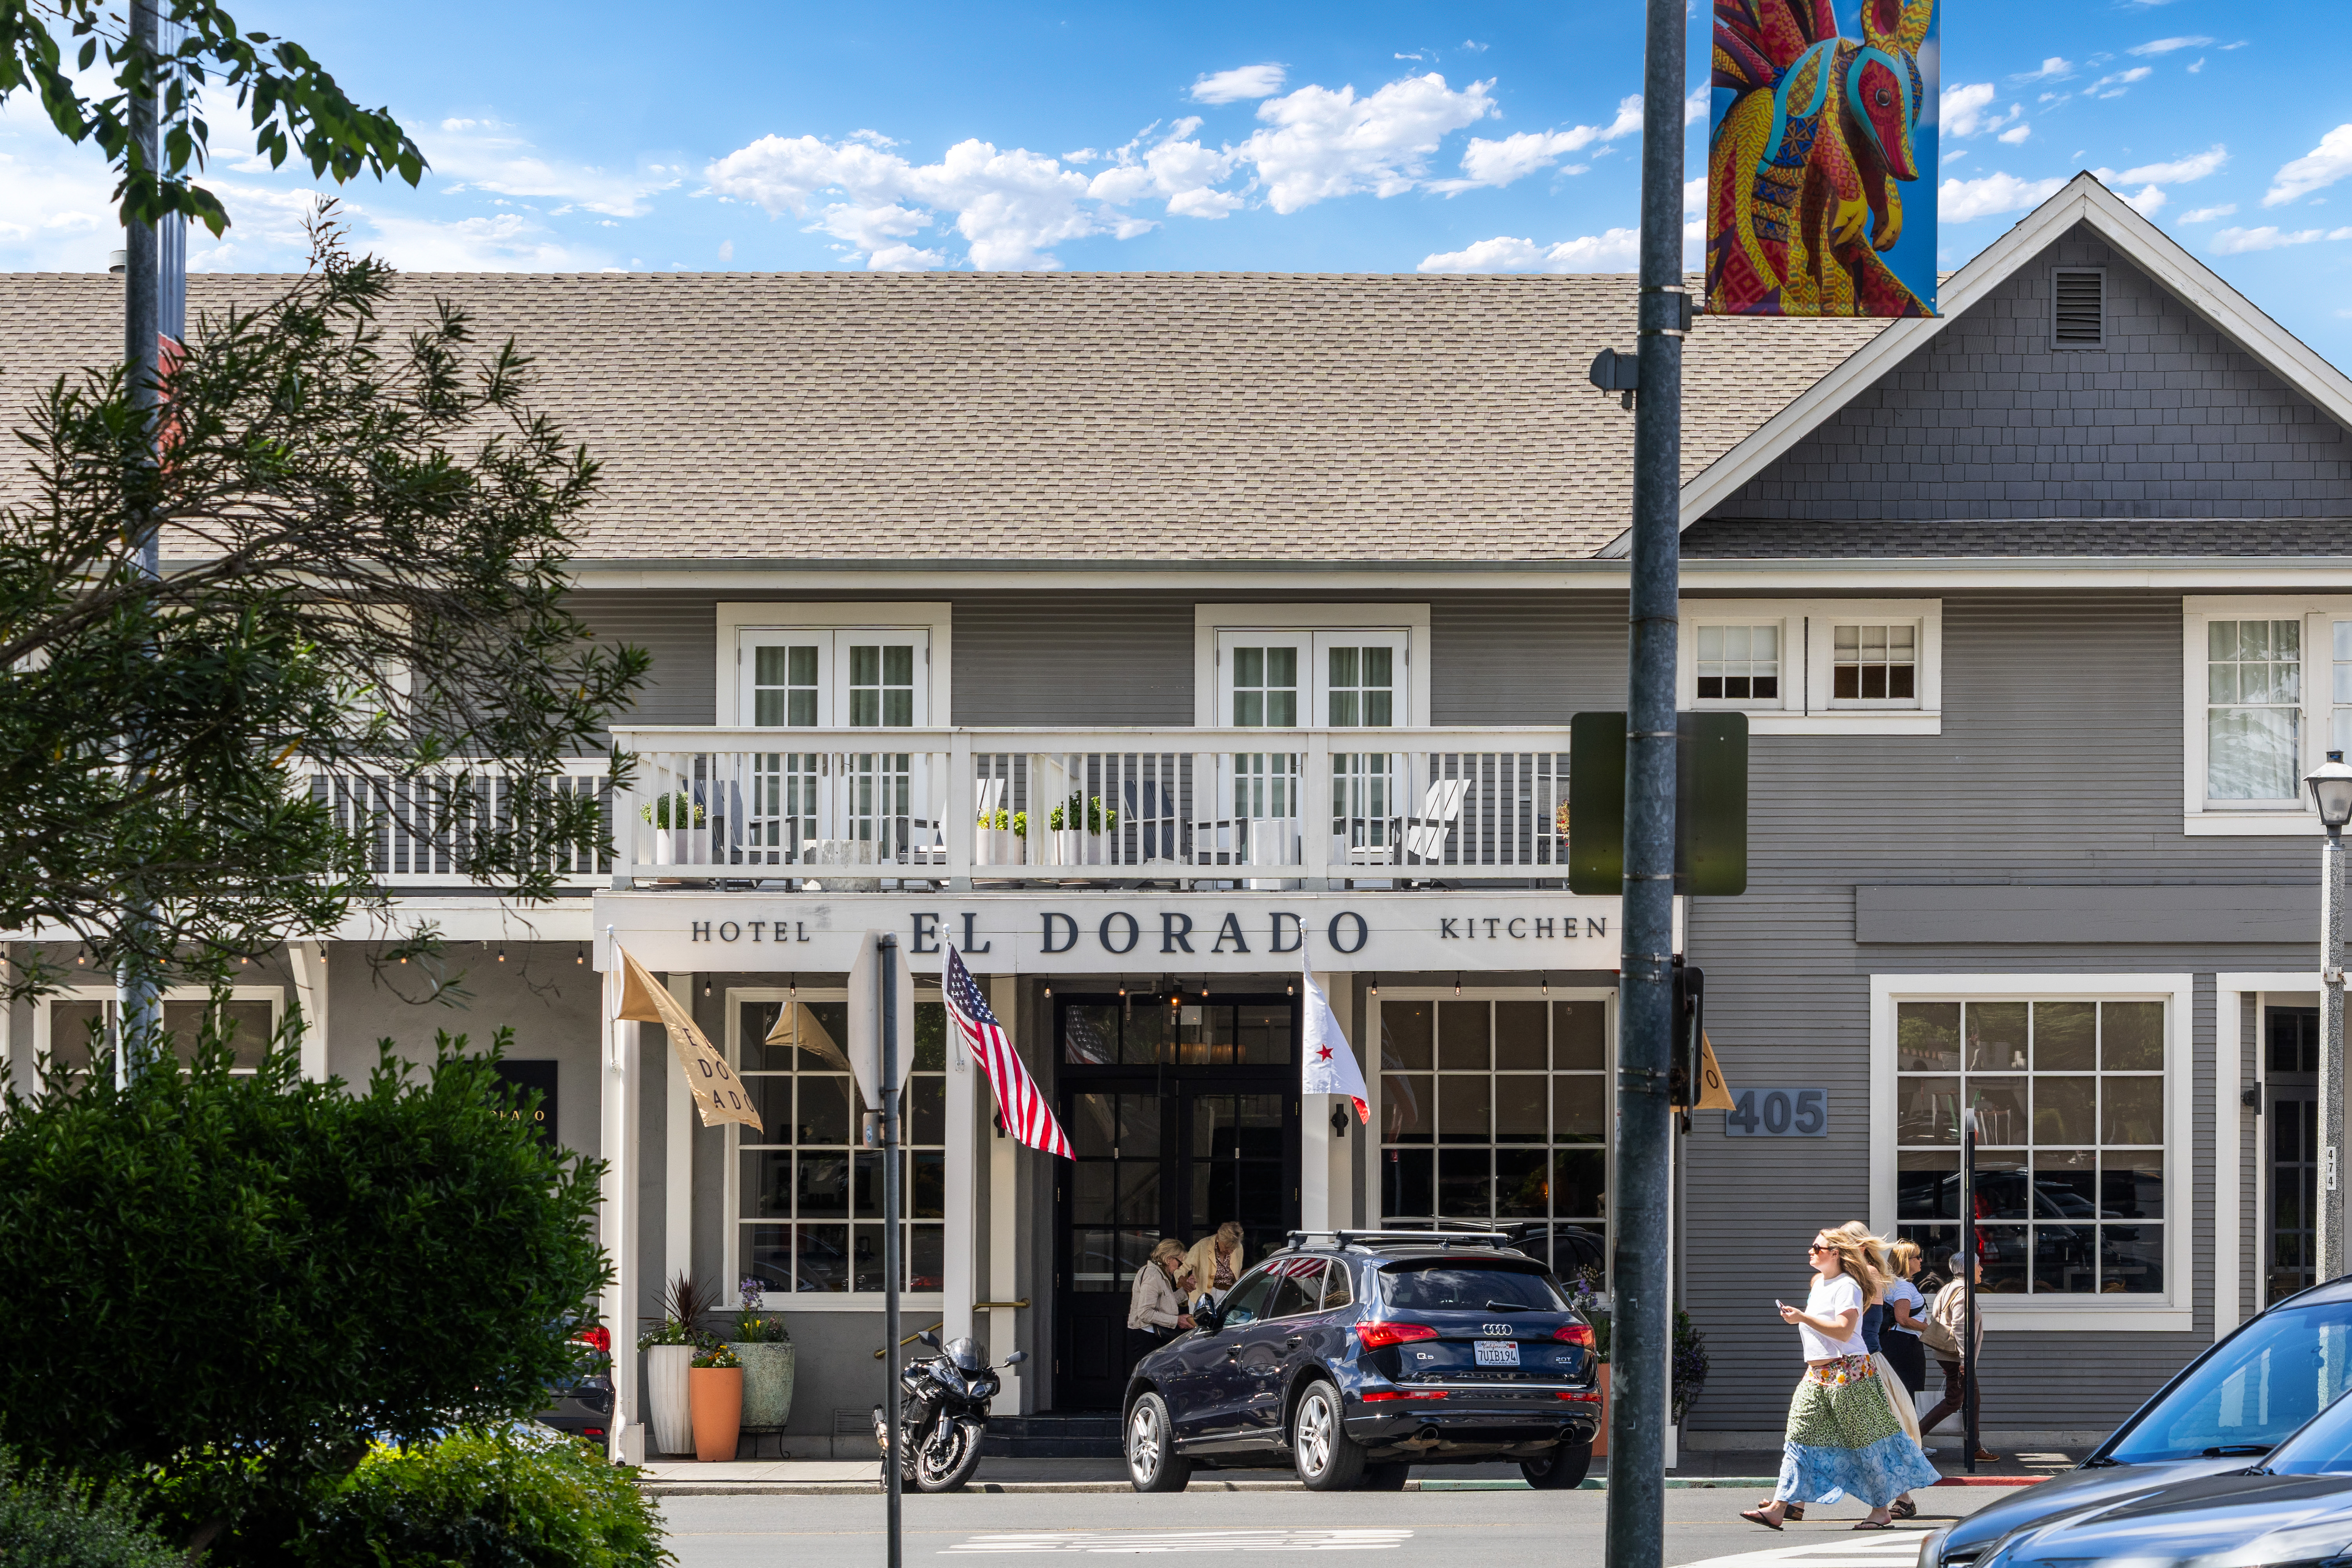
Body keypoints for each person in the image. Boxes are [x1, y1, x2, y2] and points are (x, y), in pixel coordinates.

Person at [1741, 1228, 1939, 1532]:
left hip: (1850, 1372)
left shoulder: (1850, 1285)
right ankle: (1780, 1508)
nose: (1811, 1250)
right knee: (1798, 1437)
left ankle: (1880, 1510)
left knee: (1864, 1444)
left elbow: (1845, 1331)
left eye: (1817, 1247)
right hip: (1817, 1374)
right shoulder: (1819, 1282)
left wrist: (1803, 1318)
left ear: (1835, 1253)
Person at [1918, 1251, 1997, 1462]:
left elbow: (1937, 1318)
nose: (1982, 1269)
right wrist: (1965, 1360)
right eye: (1979, 1265)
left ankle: (1974, 1447)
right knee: (1954, 1401)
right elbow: (1961, 1329)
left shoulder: (1949, 1288)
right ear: (1969, 1269)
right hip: (1957, 1356)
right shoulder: (1963, 1293)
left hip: (1949, 1354)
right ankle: (1912, 1439)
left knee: (1973, 1399)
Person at [1880, 1240, 1933, 1435]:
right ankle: (1911, 1443)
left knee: (1898, 1393)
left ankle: (1903, 1440)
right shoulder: (1903, 1287)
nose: (1921, 1260)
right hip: (1906, 1344)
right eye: (1917, 1257)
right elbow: (1903, 1319)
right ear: (1905, 1261)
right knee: (1909, 1392)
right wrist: (1928, 1329)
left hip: (1892, 1343)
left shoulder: (1891, 1284)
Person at [1127, 1238, 1195, 1339]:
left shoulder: (1160, 1273)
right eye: (1179, 1263)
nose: (1179, 1268)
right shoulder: (1153, 1275)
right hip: (1147, 1335)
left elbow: (1165, 1302)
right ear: (1169, 1259)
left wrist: (1186, 1290)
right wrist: (1177, 1320)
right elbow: (1145, 1313)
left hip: (1152, 1333)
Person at [1185, 1222, 1246, 1307]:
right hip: (1204, 1295)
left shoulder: (1239, 1248)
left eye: (1233, 1249)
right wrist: (1185, 1281)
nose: (1230, 1252)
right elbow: (1182, 1267)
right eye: (1227, 1247)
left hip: (1227, 1295)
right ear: (1219, 1239)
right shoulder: (1202, 1246)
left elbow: (1237, 1274)